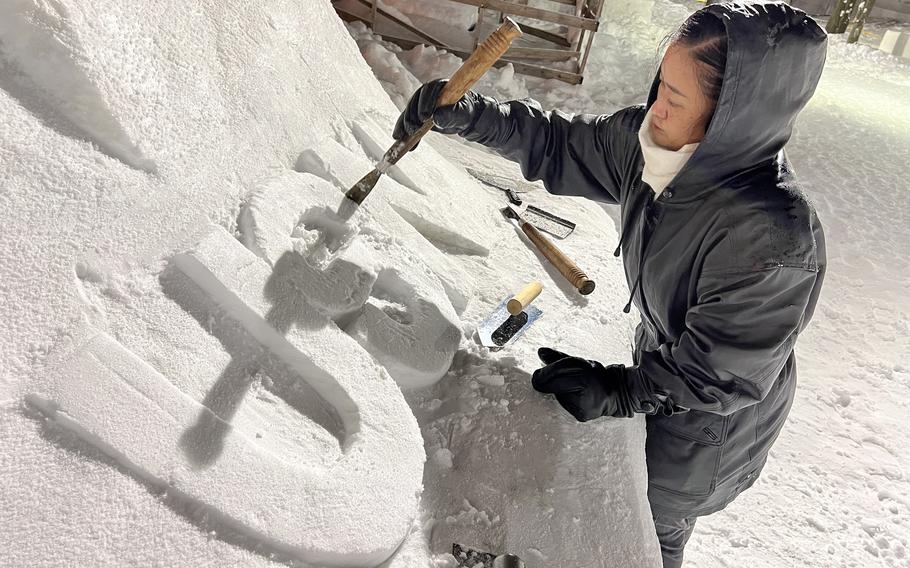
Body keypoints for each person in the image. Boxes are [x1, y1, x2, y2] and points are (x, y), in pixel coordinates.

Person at [393, 2, 827, 566]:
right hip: (664, 371)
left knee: (648, 532)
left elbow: (723, 375)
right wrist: (470, 115)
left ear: (731, 117)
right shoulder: (659, 146)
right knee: (617, 504)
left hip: (705, 431)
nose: (655, 108)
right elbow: (561, 144)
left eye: (675, 96)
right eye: (660, 84)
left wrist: (624, 389)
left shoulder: (773, 239)